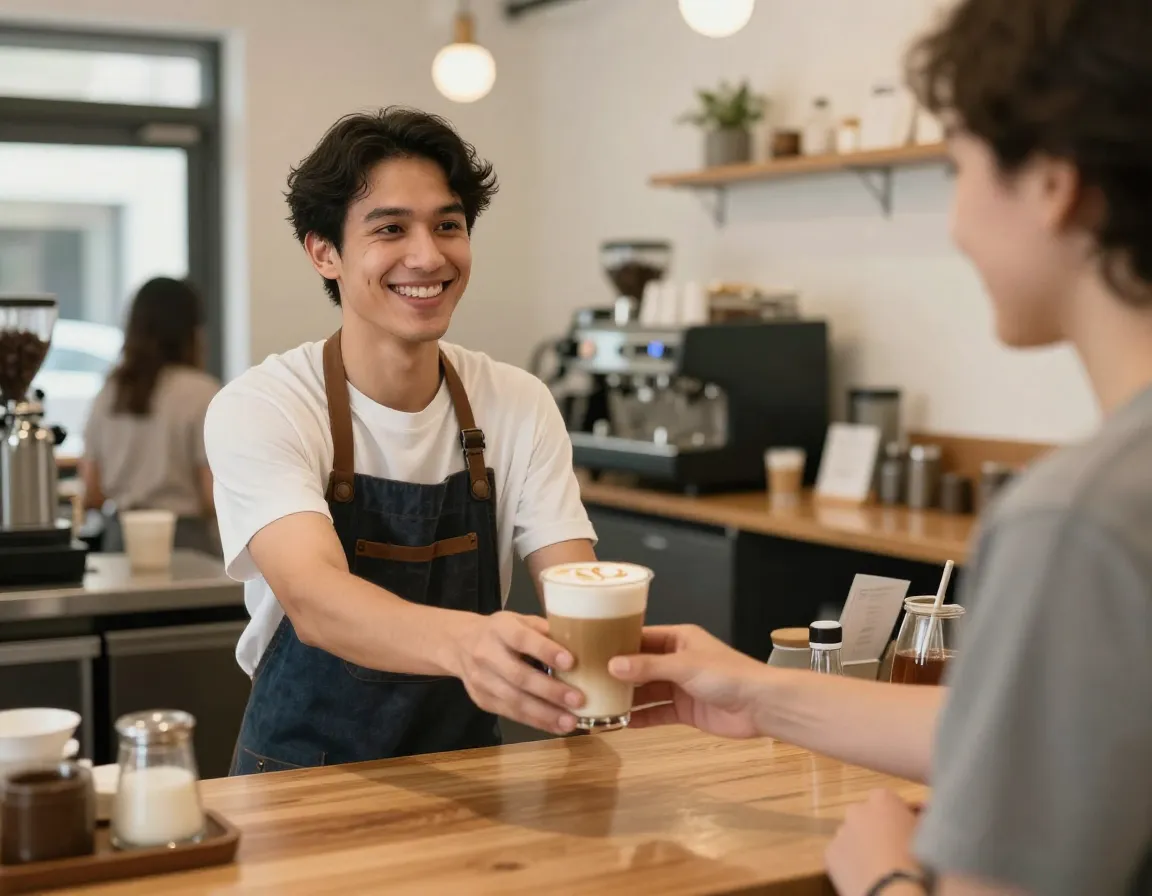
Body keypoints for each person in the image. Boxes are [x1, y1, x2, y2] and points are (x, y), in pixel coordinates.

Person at [608, 0, 1152, 893]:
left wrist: (880, 877)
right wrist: (759, 692)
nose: (956, 223)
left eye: (959, 170)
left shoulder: (1078, 520)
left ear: (1053, 185)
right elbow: (1042, 741)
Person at [204, 108, 598, 774]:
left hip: (471, 778)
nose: (429, 255)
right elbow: (316, 601)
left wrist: (606, 681)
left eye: (448, 225)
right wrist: (470, 644)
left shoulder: (517, 403)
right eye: (391, 229)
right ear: (323, 251)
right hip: (301, 786)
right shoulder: (262, 406)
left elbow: (576, 586)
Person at [82, 276, 221, 556]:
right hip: (185, 545)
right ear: (192, 330)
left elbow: (92, 492)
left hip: (120, 542)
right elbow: (212, 495)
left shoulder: (110, 392)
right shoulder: (202, 392)